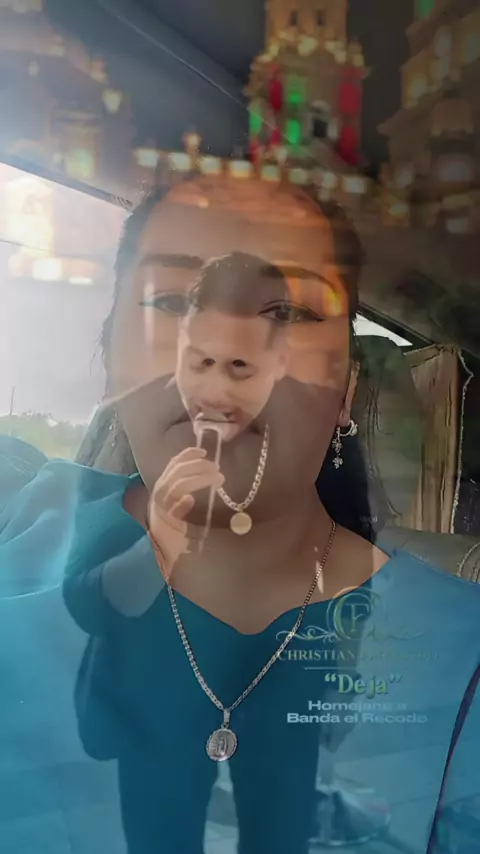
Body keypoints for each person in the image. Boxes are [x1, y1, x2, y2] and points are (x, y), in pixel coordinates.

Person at [0, 173, 479, 854]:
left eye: (287, 310)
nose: (222, 348)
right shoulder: (20, 527)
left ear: (345, 388)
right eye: (171, 300)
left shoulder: (464, 660)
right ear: (111, 360)